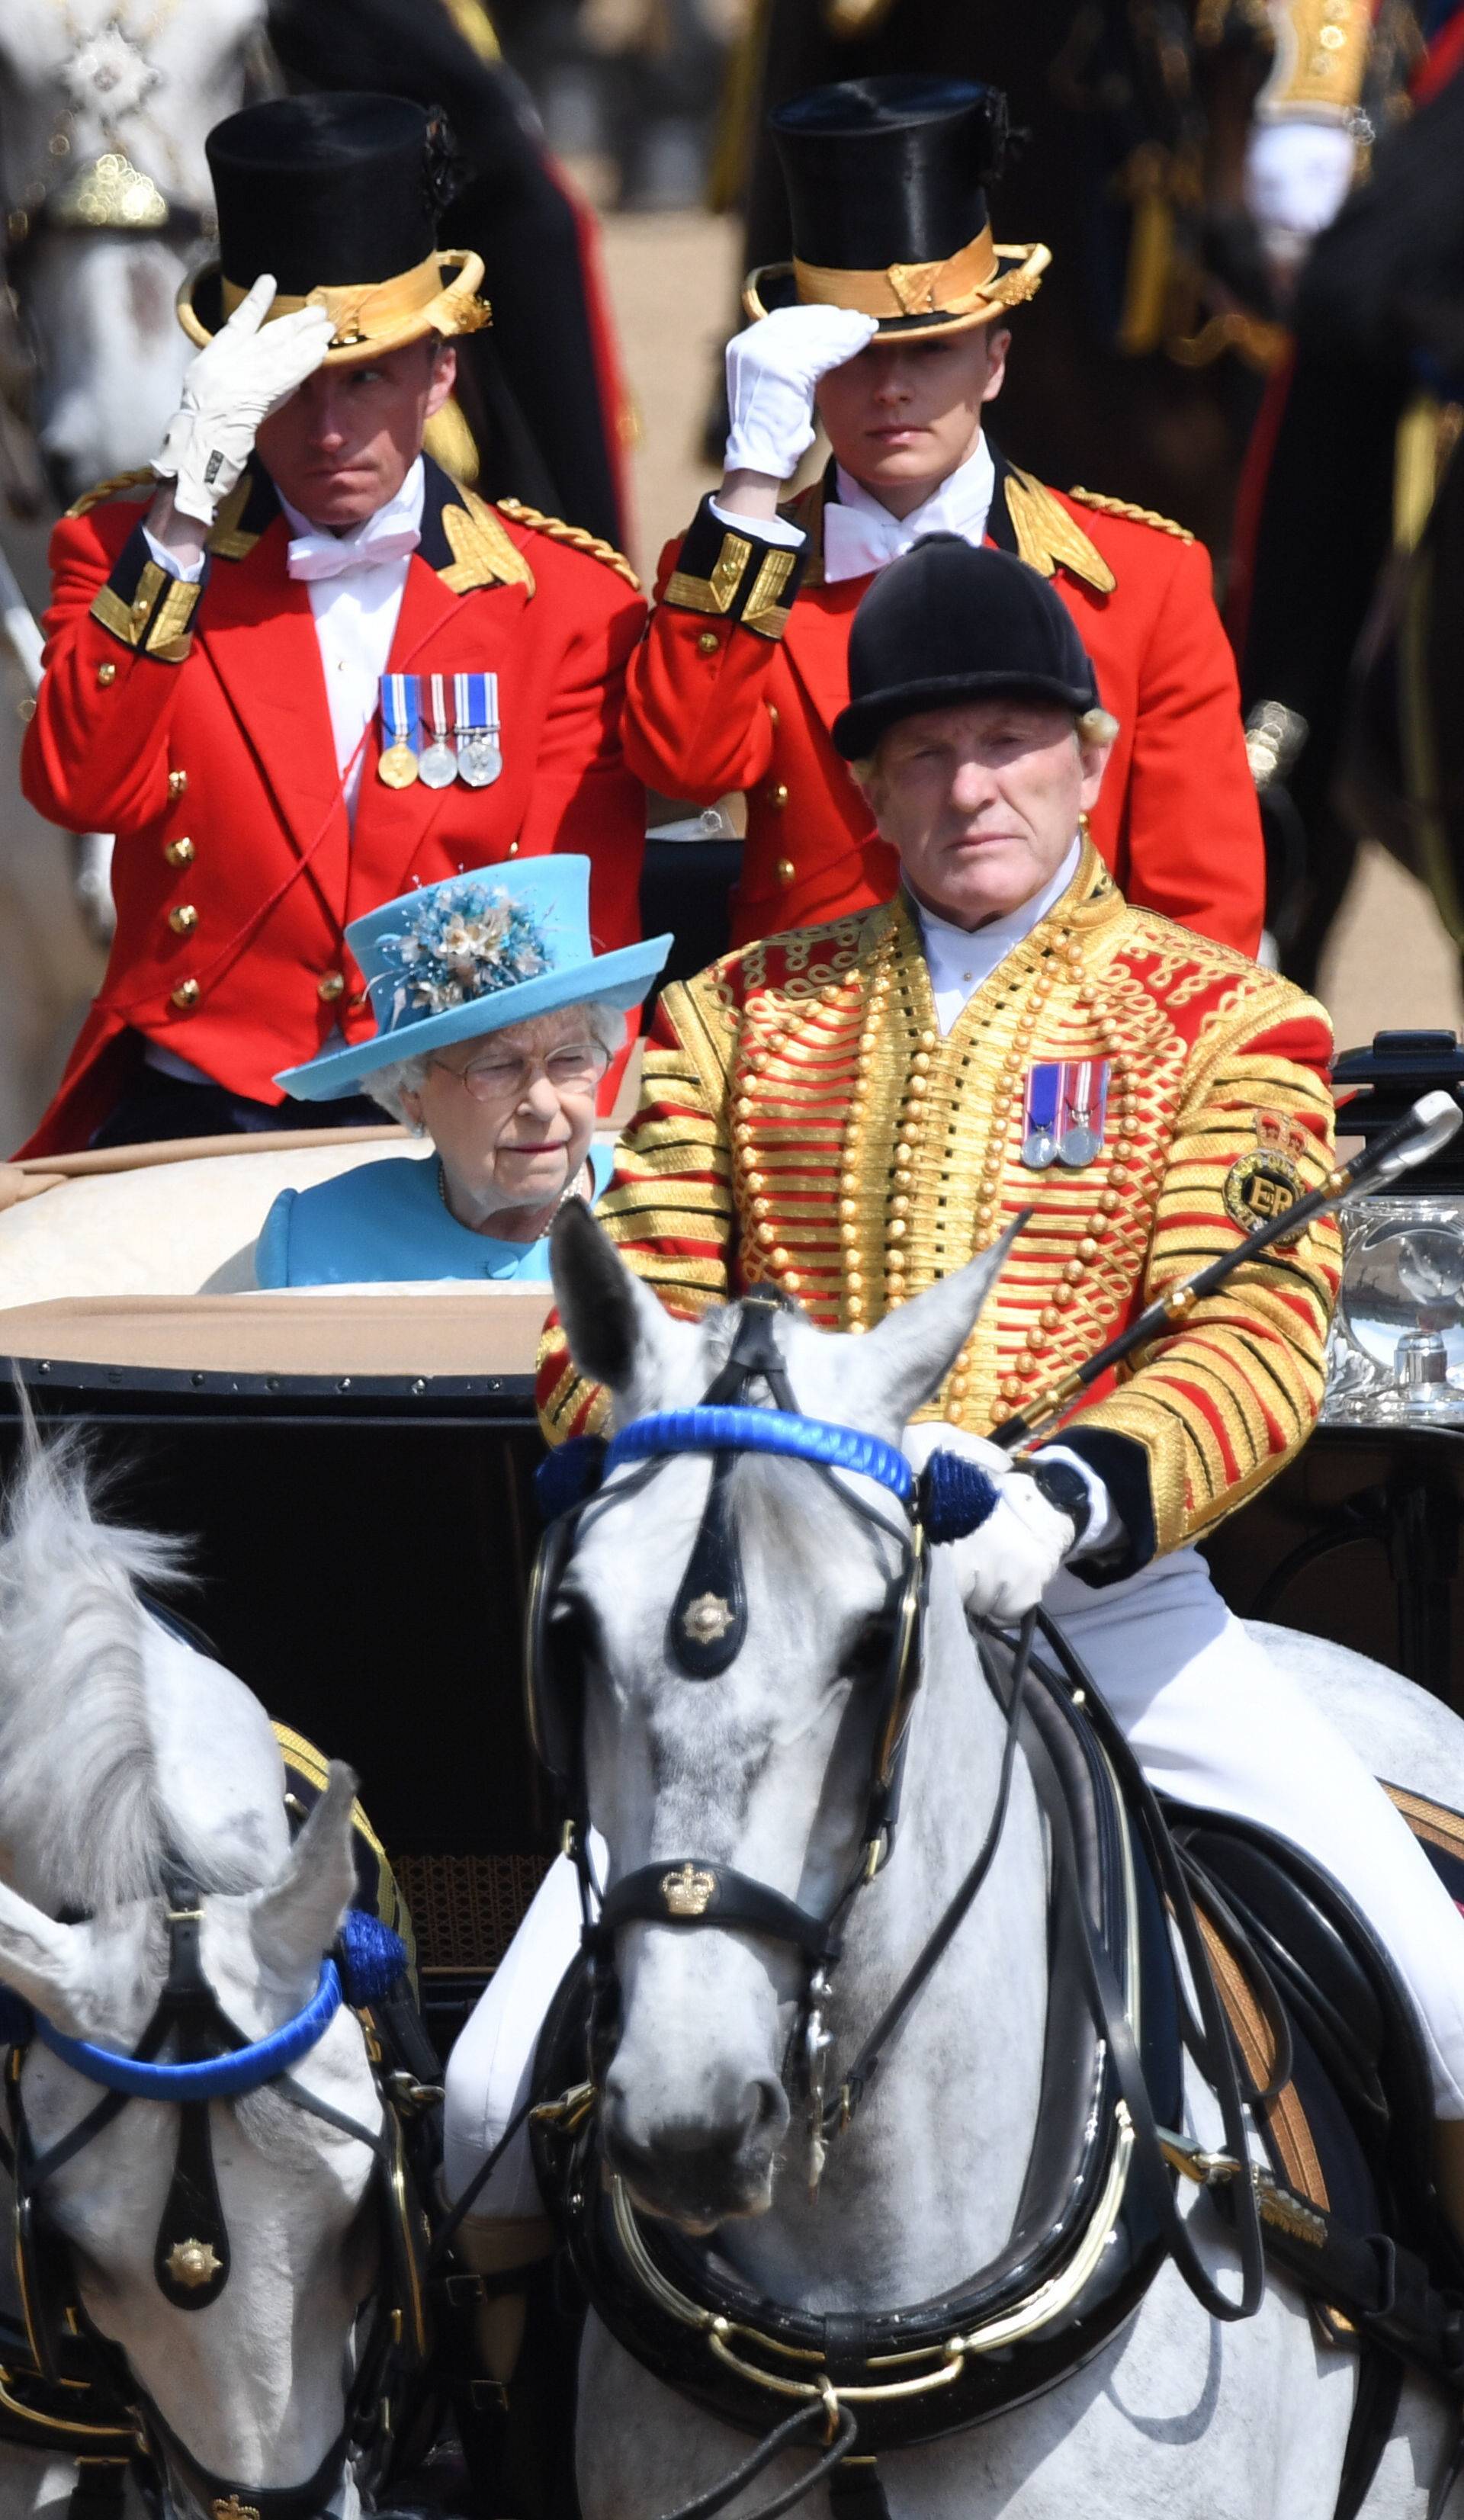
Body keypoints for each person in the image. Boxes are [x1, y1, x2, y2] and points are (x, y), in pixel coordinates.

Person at [467, 542, 1464, 2327]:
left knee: (1449, 2003)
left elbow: (1257, 1332)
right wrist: (778, 1484)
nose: (968, 788)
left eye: (1008, 743)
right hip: (780, 1651)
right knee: (478, 2102)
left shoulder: (1227, 1023)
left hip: (1110, 1618)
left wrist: (1074, 1500)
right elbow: (603, 1333)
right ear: (866, 785)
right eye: (923, 756)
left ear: (1089, 758)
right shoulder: (734, 1020)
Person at [18, 92, 646, 1160]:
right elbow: (80, 784)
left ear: (441, 371)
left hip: (464, 1127)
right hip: (194, 1110)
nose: (331, 429)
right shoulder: (131, 553)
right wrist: (182, 506)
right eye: (291, 387)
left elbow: (580, 929)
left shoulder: (567, 604)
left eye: (369, 379)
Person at [622, 73, 1267, 957]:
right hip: (809, 1068)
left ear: (995, 362)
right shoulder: (740, 570)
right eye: (847, 355)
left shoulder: (1146, 580)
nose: (891, 388)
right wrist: (751, 479)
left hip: (1065, 1075)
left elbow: (1206, 920)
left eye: (929, 351)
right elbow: (683, 766)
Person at [255, 858, 669, 1285]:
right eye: (498, 1066)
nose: (544, 1105)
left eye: (570, 1060)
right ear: (411, 1095)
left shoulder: (676, 1219)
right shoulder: (317, 1240)